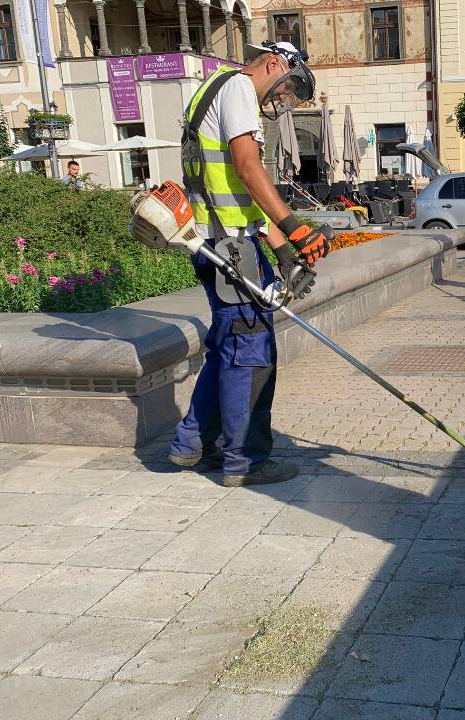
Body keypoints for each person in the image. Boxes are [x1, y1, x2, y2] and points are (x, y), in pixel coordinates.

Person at [166, 40, 333, 487]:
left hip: (218, 243)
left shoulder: (210, 89)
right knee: (249, 351)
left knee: (227, 349)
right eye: (287, 86)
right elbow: (246, 168)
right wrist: (295, 227)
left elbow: (239, 198)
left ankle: (191, 443)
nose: (283, 97)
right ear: (274, 62)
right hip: (230, 247)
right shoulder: (239, 86)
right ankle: (245, 461)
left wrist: (282, 251)